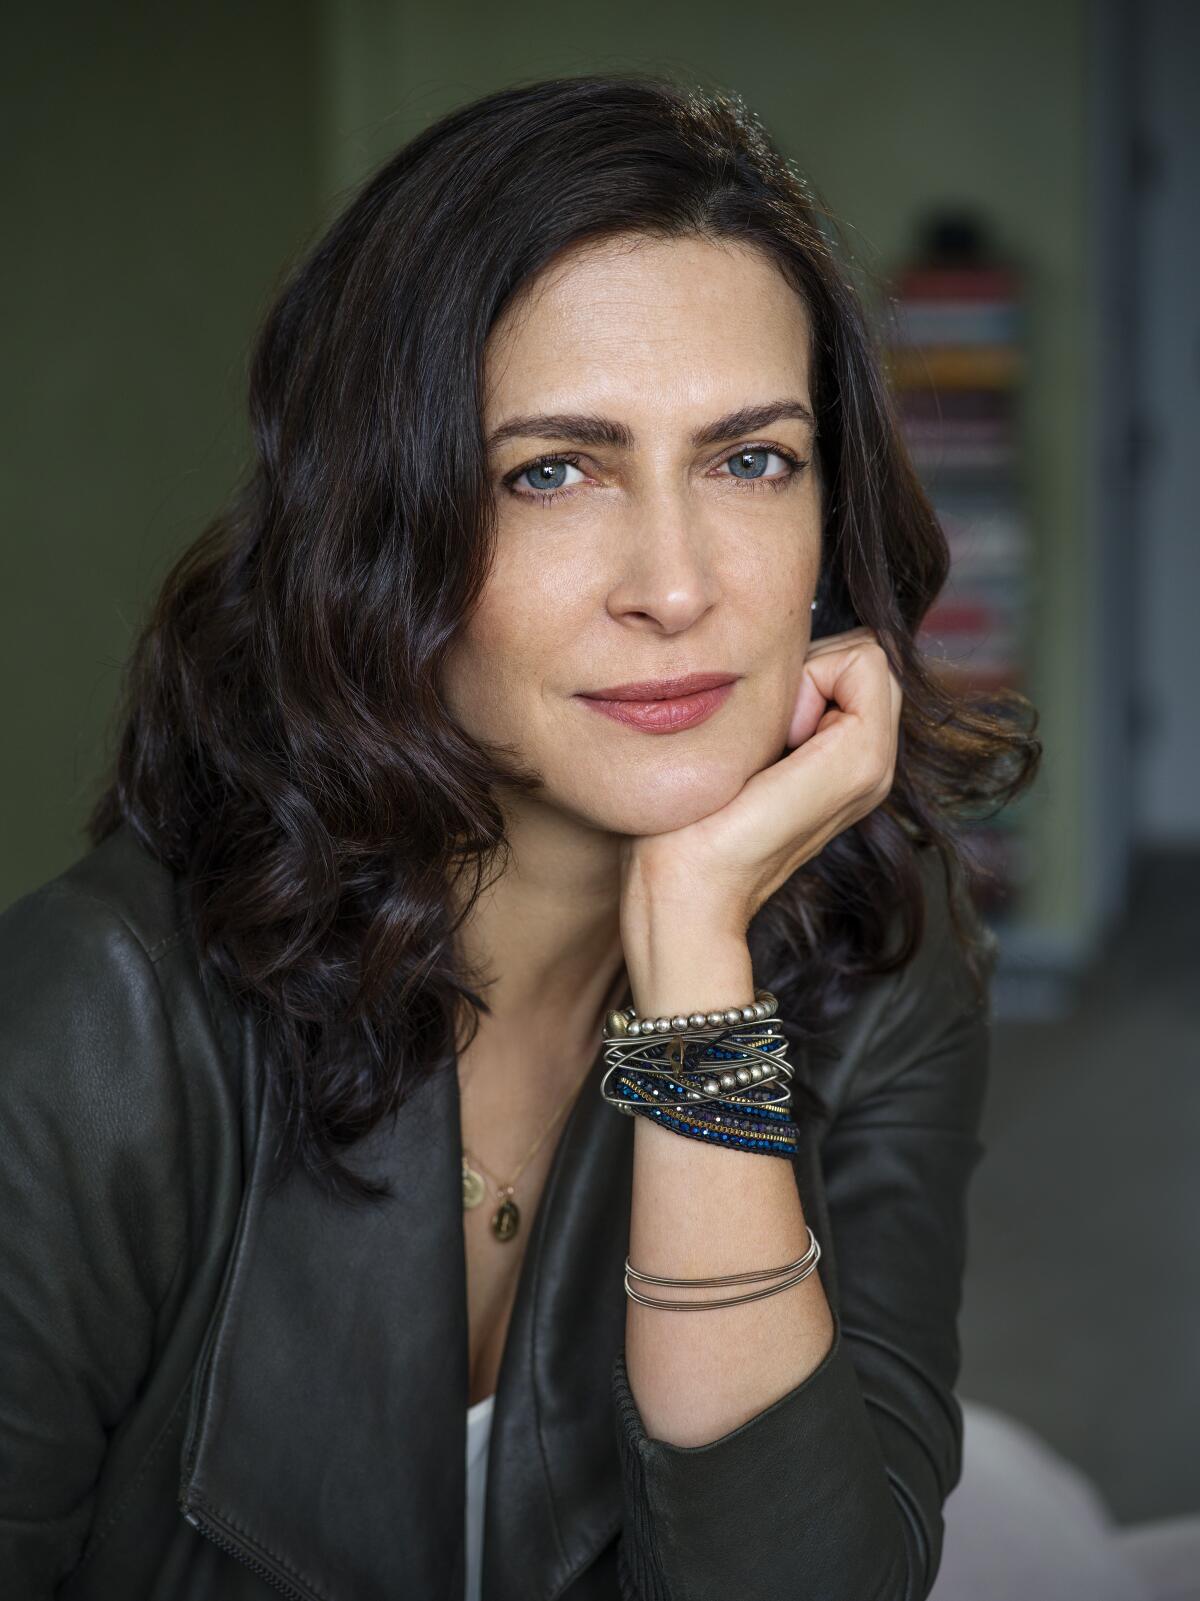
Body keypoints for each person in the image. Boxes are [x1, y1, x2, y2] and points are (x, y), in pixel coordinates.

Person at [0, 72, 1040, 1601]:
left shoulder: (887, 939)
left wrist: (697, 970)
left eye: (752, 458)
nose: (675, 584)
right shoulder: (91, 1024)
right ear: (377, 525)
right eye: (551, 471)